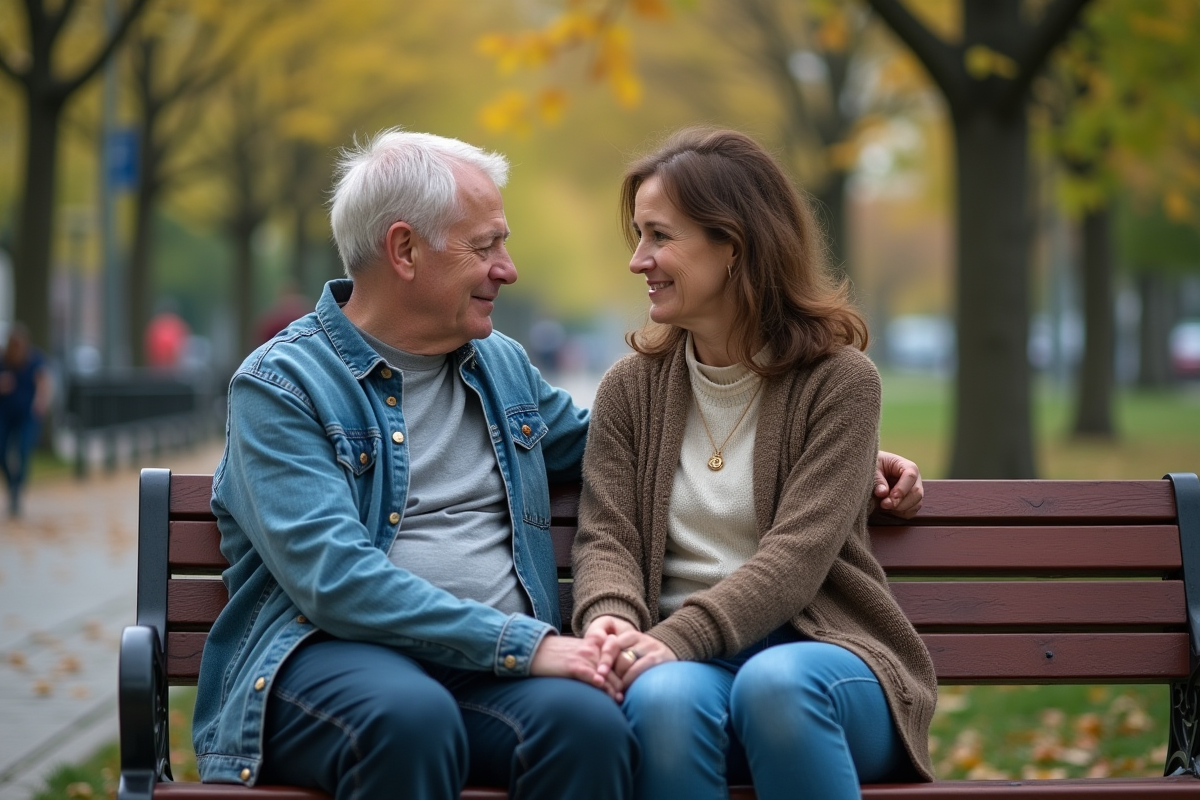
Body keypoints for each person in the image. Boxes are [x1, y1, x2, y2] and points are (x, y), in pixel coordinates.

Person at [195, 128, 924, 800]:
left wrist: (848, 459)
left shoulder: (499, 368)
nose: (507, 270)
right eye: (485, 247)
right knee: (410, 719)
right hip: (335, 654)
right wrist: (531, 644)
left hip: (499, 667)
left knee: (588, 727)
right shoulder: (281, 388)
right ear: (405, 250)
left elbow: (630, 449)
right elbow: (335, 580)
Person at [571, 128, 938, 800]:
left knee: (775, 687)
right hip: (685, 665)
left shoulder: (838, 382)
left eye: (658, 236)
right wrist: (612, 618)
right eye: (637, 236)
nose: (638, 260)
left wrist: (677, 637)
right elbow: (608, 535)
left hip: (829, 660)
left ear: (732, 246)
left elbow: (796, 557)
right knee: (661, 700)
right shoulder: (631, 388)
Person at [0, 323, 52, 517]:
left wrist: (40, 403)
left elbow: (43, 383)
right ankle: (11, 481)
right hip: (4, 413)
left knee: (23, 450)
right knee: (1, 450)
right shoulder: (3, 361)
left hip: (26, 415)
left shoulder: (34, 360)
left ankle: (17, 490)